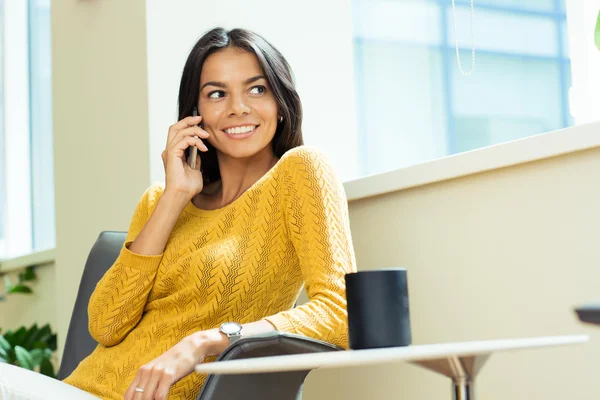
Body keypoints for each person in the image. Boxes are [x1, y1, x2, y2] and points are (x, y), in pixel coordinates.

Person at [0, 27, 357, 400]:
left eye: (257, 89)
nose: (238, 107)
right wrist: (174, 197)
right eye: (217, 94)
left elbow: (340, 314)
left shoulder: (301, 171)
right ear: (194, 114)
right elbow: (105, 326)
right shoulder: (160, 201)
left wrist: (204, 342)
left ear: (280, 102)